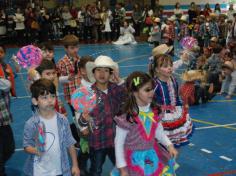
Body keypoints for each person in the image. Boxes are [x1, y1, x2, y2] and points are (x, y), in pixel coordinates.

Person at [114, 71, 178, 176]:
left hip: (153, 156)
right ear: (134, 92)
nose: (152, 92)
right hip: (134, 160)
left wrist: (169, 145)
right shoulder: (126, 117)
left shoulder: (155, 111)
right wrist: (122, 169)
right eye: (147, 90)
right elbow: (119, 144)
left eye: (152, 88)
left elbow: (159, 132)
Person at [76, 55, 125, 176]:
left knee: (122, 167)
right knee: (96, 170)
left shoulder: (116, 89)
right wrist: (83, 124)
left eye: (106, 70)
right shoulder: (88, 93)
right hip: (97, 140)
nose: (102, 73)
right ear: (93, 73)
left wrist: (121, 82)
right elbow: (80, 116)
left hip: (115, 139)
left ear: (111, 73)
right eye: (98, 70)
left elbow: (129, 98)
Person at [23, 79, 80, 176]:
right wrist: (37, 151)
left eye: (53, 96)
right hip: (40, 171)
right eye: (44, 97)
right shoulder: (31, 123)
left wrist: (75, 165)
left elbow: (70, 144)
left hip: (60, 170)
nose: (50, 100)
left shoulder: (62, 120)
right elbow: (26, 146)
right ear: (35, 101)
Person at [150, 54, 193, 146]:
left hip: (175, 114)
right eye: (165, 66)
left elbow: (176, 96)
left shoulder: (173, 80)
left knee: (176, 140)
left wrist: (182, 106)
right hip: (161, 116)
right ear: (157, 69)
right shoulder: (154, 84)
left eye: (170, 65)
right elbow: (148, 99)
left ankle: (172, 159)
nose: (169, 68)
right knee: (162, 142)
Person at [0, 45, 16, 176]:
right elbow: (6, 85)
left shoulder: (4, 66)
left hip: (4, 115)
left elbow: (11, 80)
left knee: (9, 148)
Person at [57, 34, 81, 117]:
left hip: (81, 94)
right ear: (65, 48)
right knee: (76, 115)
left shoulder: (79, 59)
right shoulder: (62, 62)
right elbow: (57, 79)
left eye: (77, 47)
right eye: (72, 48)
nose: (75, 50)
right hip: (71, 95)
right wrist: (67, 78)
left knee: (84, 115)